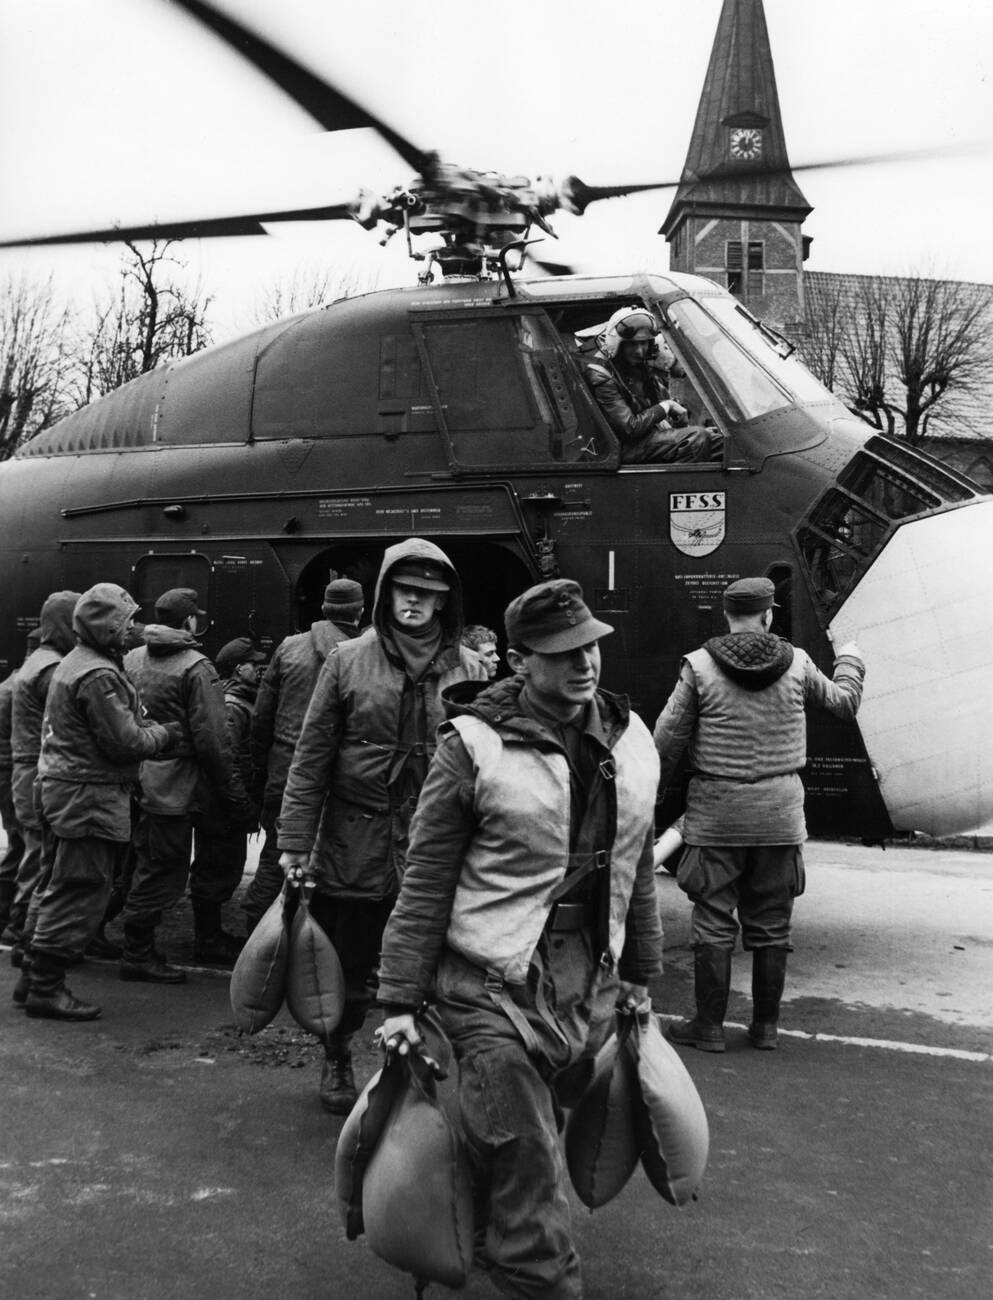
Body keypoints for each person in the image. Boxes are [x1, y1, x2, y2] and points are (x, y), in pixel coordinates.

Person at [377, 578, 663, 1300]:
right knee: (529, 1154)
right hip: (484, 985)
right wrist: (399, 1000)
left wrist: (637, 971)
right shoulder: (471, 746)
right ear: (518, 660)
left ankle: (473, 1222)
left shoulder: (630, 737)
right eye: (562, 652)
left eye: (591, 646)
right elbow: (426, 878)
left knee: (513, 1134)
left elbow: (635, 863)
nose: (584, 663)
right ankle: (540, 1280)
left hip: (582, 984)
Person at [277, 539, 486, 1114]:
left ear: (445, 603)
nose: (414, 603)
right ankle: (337, 1054)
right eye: (404, 590)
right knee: (345, 960)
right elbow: (311, 757)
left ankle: (407, 1063)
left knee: (430, 964)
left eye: (428, 595)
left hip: (435, 845)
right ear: (386, 593)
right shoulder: (347, 661)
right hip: (355, 841)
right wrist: (295, 842)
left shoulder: (474, 670)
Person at [653, 576, 865, 1052]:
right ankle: (765, 1028)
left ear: (727, 617)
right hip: (779, 817)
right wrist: (850, 661)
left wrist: (650, 801)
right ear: (768, 616)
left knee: (712, 923)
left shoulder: (700, 666)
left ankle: (708, 1027)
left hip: (716, 817)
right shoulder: (799, 664)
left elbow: (667, 741)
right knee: (772, 924)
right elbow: (844, 704)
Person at [21, 584, 177, 1021]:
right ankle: (46, 988)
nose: (132, 629)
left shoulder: (78, 662)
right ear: (107, 627)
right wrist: (165, 734)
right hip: (87, 795)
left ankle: (33, 977)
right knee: (80, 889)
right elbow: (124, 742)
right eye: (125, 623)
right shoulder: (99, 674)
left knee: (55, 884)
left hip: (63, 788)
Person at [122, 588, 252, 984]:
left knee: (148, 862)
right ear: (190, 621)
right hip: (185, 783)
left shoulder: (131, 658)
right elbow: (212, 740)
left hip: (143, 777)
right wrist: (234, 794)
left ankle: (133, 944)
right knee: (175, 867)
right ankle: (141, 953)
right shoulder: (196, 667)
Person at [244, 576, 365, 934]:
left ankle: (258, 938)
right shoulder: (367, 653)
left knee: (274, 859)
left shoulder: (289, 647)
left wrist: (263, 768)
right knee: (338, 861)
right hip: (340, 777)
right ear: (359, 612)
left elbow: (261, 718)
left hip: (284, 771)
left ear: (324, 608)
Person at [7, 592, 81, 965]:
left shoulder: (37, 661)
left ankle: (24, 937)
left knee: (36, 857)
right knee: (42, 862)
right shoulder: (52, 669)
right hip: (39, 770)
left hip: (28, 771)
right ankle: (27, 942)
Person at [188, 636, 268, 965]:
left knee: (224, 868)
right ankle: (207, 942)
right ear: (239, 668)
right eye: (255, 665)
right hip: (221, 808)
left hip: (225, 806)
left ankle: (212, 937)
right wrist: (242, 806)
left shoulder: (238, 701)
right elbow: (227, 762)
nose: (261, 670)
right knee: (214, 871)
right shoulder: (234, 706)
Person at [582, 306, 723, 464]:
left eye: (644, 344)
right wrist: (666, 406)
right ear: (618, 343)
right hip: (623, 448)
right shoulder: (600, 374)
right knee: (697, 438)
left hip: (646, 440)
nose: (640, 351)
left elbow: (652, 416)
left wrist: (681, 428)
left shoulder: (636, 368)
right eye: (632, 344)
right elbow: (630, 428)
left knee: (720, 442)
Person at [0, 628, 40, 939]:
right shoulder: (27, 683)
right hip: (16, 773)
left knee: (17, 845)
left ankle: (4, 913)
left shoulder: (10, 682)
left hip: (9, 774)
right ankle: (14, 921)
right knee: (26, 848)